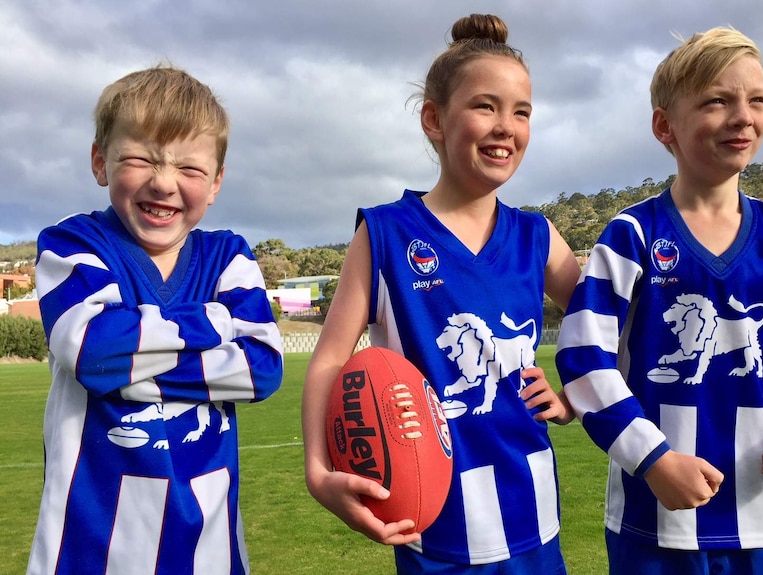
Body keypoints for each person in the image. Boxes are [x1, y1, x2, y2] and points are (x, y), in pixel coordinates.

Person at [555, 26, 763, 575]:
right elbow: (584, 358)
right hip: (651, 527)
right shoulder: (633, 235)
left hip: (760, 519)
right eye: (717, 100)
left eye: (757, 100)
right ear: (664, 126)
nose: (743, 116)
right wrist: (653, 460)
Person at [302, 13, 580, 574]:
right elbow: (331, 356)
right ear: (435, 119)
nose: (506, 126)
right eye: (485, 106)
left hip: (533, 516)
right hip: (431, 521)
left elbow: (610, 329)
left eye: (521, 112)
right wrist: (316, 470)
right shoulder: (384, 234)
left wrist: (577, 393)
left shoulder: (538, 237)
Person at [27, 65, 284, 575]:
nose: (163, 182)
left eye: (189, 169)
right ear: (101, 162)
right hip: (89, 547)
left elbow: (262, 369)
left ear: (215, 183)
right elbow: (93, 352)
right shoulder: (72, 244)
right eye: (139, 158)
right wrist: (215, 323)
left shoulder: (228, 255)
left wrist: (131, 359)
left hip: (211, 547)